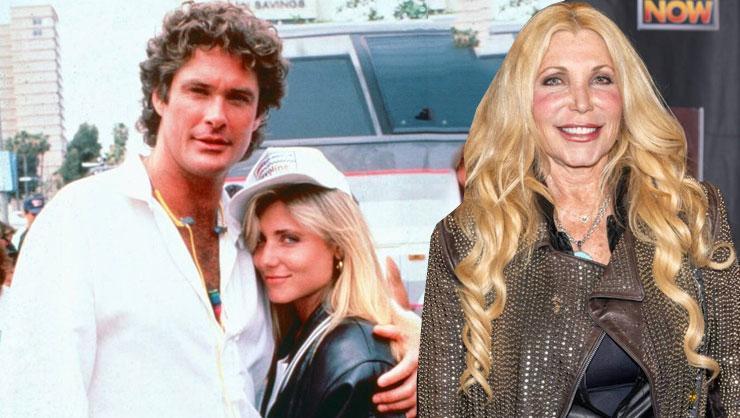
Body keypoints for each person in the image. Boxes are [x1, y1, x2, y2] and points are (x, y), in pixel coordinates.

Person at [0, 3, 417, 418]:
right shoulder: (80, 221)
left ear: (258, 116)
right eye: (198, 91)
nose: (216, 116)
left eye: (238, 98)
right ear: (160, 96)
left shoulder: (248, 237)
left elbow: (349, 288)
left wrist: (412, 344)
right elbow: (36, 401)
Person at [418, 2, 739, 417]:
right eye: (554, 81)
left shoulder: (690, 214)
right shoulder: (469, 236)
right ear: (522, 100)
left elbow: (732, 383)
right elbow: (442, 407)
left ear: (625, 97)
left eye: (601, 79)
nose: (582, 102)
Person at [228, 147, 405, 418]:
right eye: (260, 240)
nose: (265, 259)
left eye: (289, 239)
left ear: (339, 246)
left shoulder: (354, 360)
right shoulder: (295, 336)